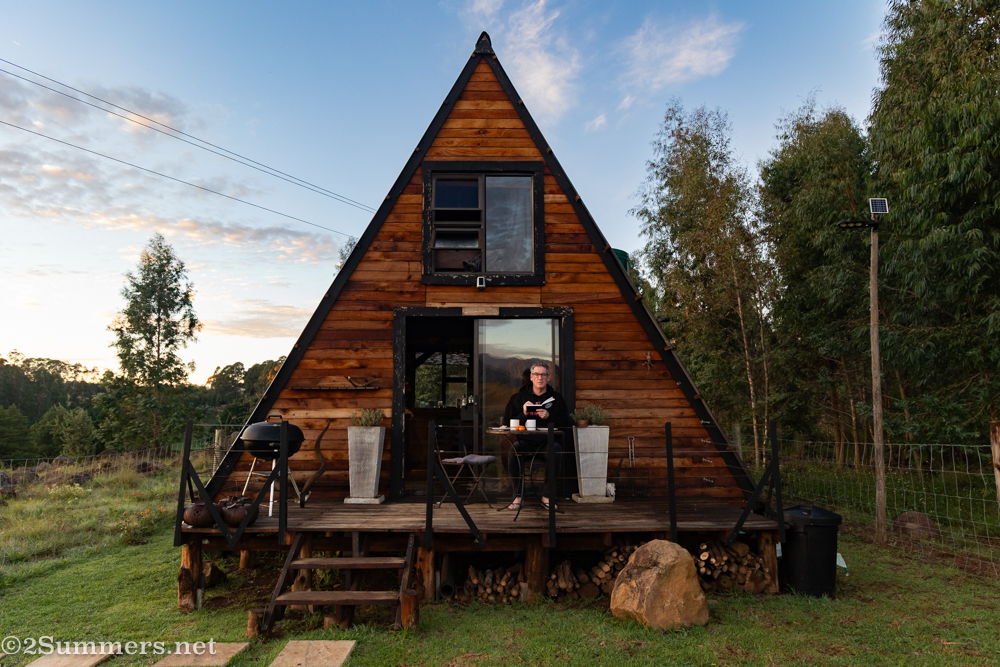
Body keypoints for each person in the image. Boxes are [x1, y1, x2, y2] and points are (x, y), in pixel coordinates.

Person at [500, 362, 570, 511]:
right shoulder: (519, 398)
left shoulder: (556, 398)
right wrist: (523, 414)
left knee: (556, 450)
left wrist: (549, 416)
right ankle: (517, 496)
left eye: (543, 375)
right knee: (513, 451)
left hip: (547, 443)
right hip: (525, 442)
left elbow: (566, 423)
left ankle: (547, 496)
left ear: (548, 377)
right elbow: (509, 423)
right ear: (531, 377)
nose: (540, 378)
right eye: (537, 375)